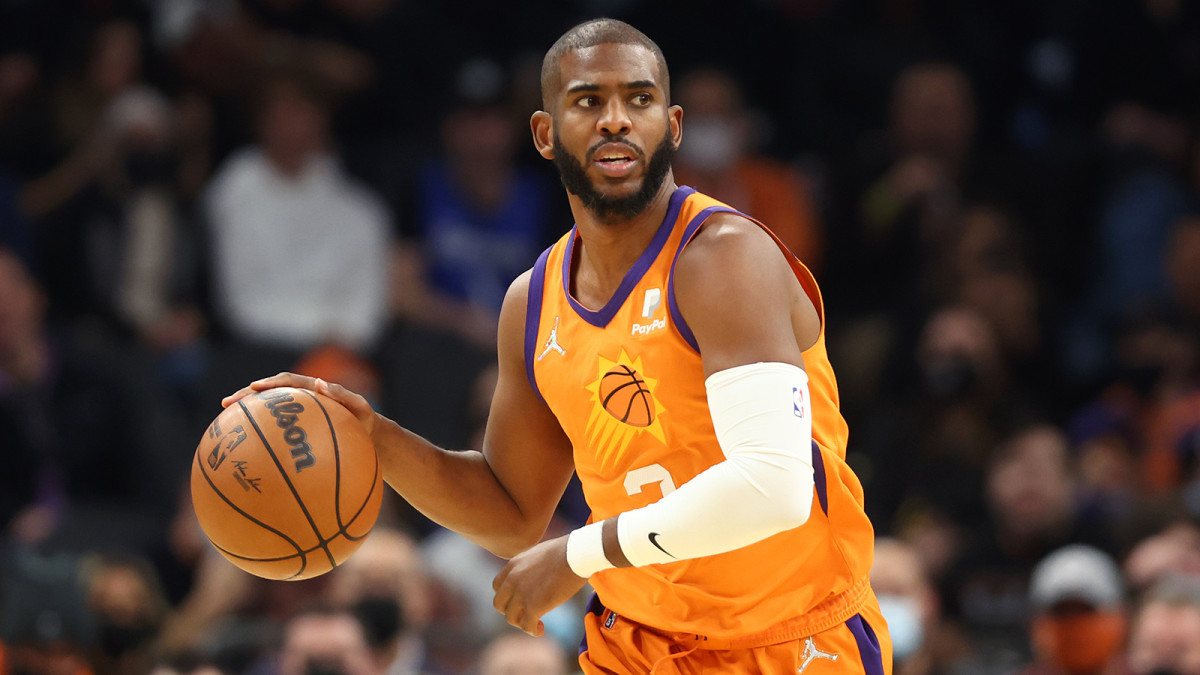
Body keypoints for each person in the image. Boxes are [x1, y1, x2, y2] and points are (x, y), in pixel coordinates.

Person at [227, 18, 891, 674]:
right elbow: (510, 511)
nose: (615, 120)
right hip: (641, 644)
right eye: (587, 101)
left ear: (674, 124)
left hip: (789, 639)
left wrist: (578, 554)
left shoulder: (722, 257)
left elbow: (773, 487)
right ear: (545, 134)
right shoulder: (532, 300)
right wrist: (373, 439)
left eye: (639, 99)